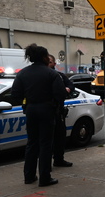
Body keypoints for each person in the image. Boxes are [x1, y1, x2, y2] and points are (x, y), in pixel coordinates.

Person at [11, 44, 66, 187]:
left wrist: (27, 102)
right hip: (47, 110)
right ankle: (45, 177)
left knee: (32, 143)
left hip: (31, 109)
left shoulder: (22, 73)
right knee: (46, 144)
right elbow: (60, 95)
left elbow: (15, 95)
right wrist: (55, 104)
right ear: (44, 57)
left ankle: (29, 176)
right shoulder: (52, 74)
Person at [48, 54, 75, 167]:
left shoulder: (59, 76)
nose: (48, 63)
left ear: (54, 64)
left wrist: (67, 89)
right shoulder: (43, 76)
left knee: (60, 137)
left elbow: (70, 85)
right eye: (47, 61)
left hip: (58, 111)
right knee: (48, 140)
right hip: (47, 112)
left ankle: (59, 159)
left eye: (50, 61)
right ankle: (46, 165)